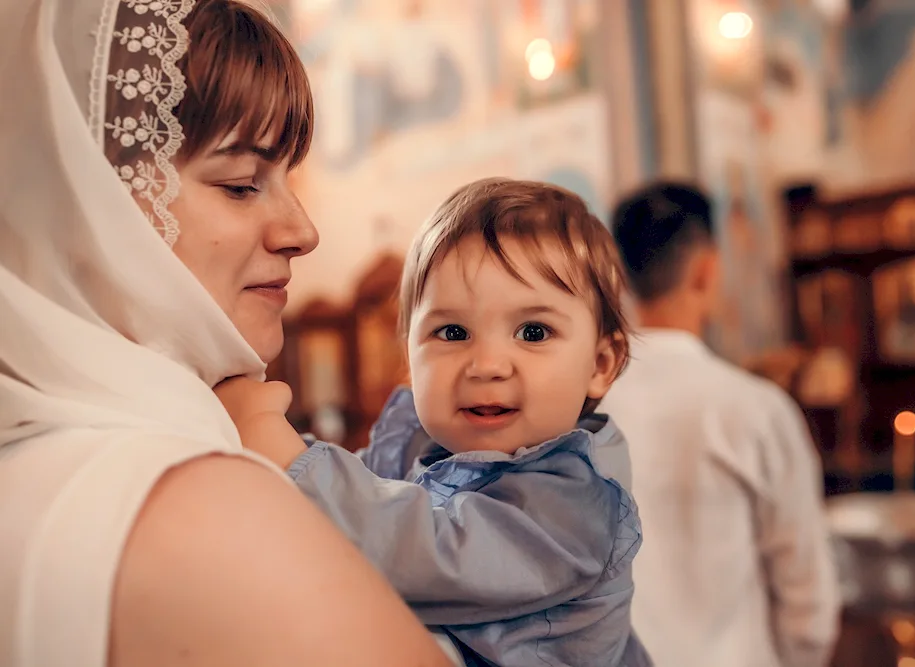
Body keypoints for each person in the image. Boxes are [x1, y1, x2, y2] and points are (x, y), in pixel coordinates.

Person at [0, 1, 458, 665]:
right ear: (91, 201)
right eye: (244, 184)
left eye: (287, 178)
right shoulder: (201, 503)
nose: (302, 231)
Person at [219, 178, 649, 666]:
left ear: (599, 364)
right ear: (408, 354)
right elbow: (358, 490)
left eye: (533, 332)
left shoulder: (576, 504)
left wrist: (291, 459)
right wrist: (281, 451)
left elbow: (432, 553)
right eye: (452, 332)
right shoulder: (423, 449)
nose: (487, 364)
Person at [600, 182, 841, 667]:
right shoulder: (755, 408)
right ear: (708, 270)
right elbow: (807, 595)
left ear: (620, 278)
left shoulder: (584, 409)